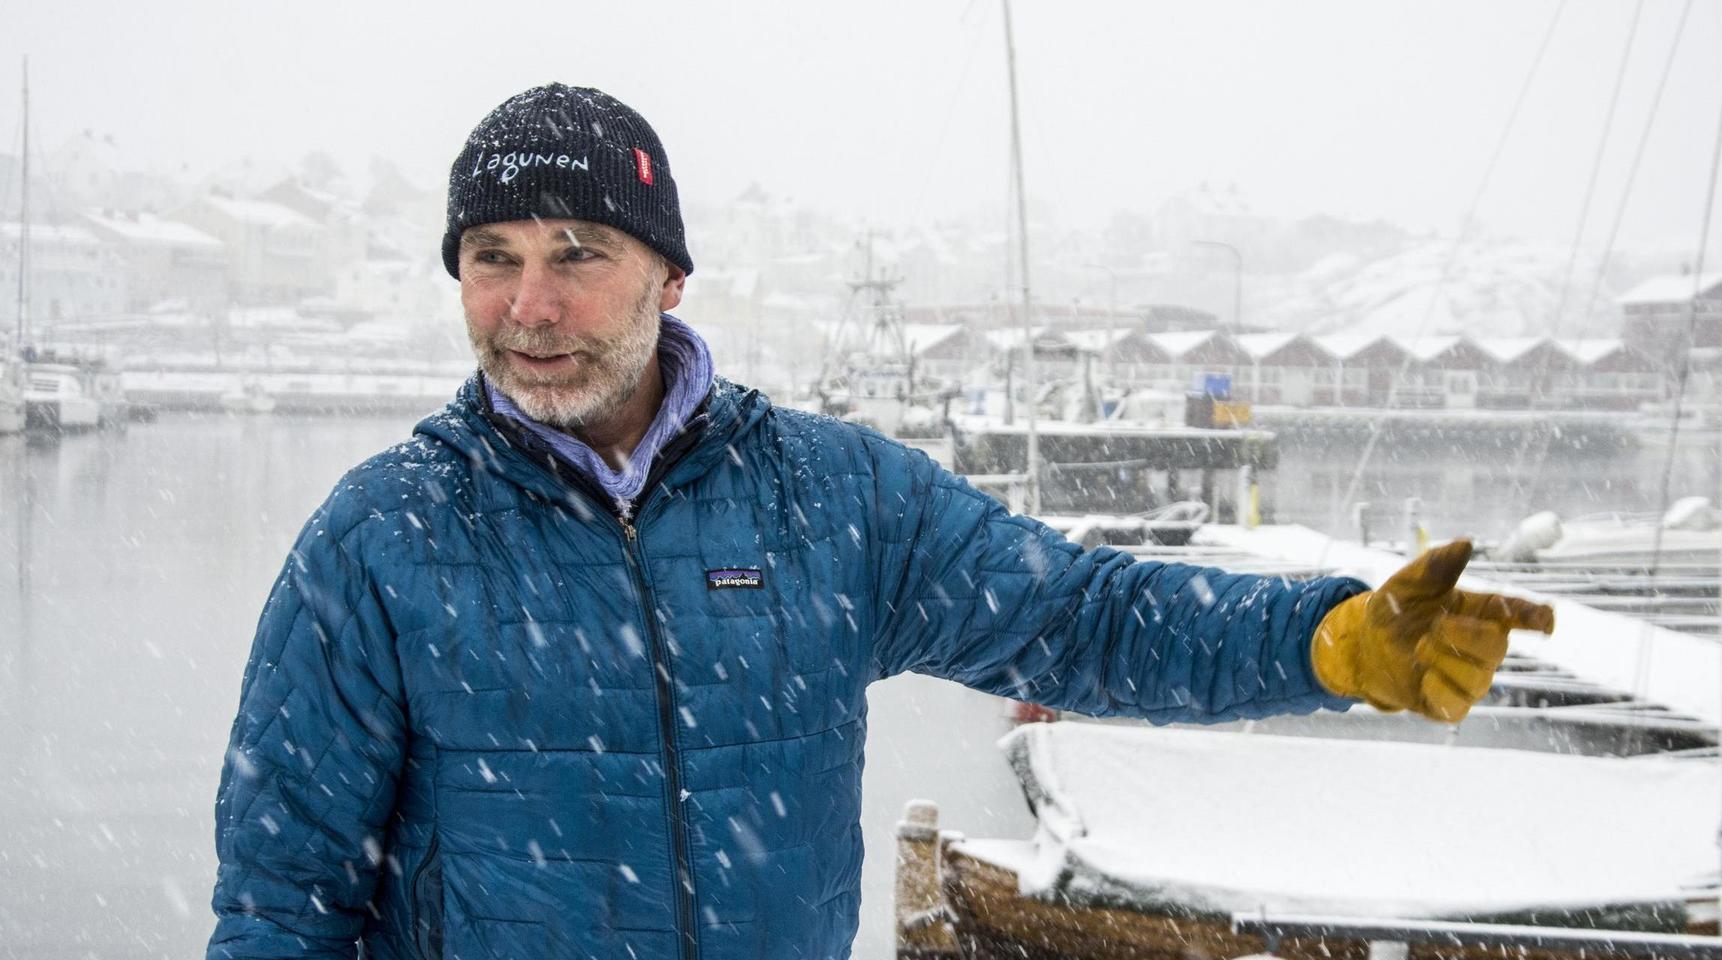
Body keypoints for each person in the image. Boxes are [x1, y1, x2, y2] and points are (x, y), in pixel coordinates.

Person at [206, 84, 1553, 960]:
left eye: (577, 256)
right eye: (492, 259)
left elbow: (1077, 617)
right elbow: (283, 897)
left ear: (669, 275)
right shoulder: (382, 540)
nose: (529, 305)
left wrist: (1322, 646)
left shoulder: (825, 501)